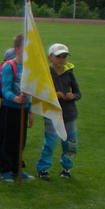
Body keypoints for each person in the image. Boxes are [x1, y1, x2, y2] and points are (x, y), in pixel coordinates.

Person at [36, 43, 81, 180]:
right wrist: (54, 95)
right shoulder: (46, 74)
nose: (62, 59)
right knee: (50, 143)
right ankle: (43, 168)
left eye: (64, 56)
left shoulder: (70, 74)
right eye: (58, 56)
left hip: (69, 114)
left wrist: (73, 96)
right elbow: (40, 93)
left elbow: (78, 93)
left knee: (70, 144)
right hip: (52, 113)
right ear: (50, 58)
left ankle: (66, 168)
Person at [0, 34, 33, 182]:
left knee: (21, 140)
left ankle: (17, 168)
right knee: (8, 139)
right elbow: (4, 90)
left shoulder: (30, 68)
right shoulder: (9, 66)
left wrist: (30, 109)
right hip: (10, 109)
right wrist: (15, 98)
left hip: (23, 109)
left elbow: (32, 91)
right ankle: (5, 169)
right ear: (17, 49)